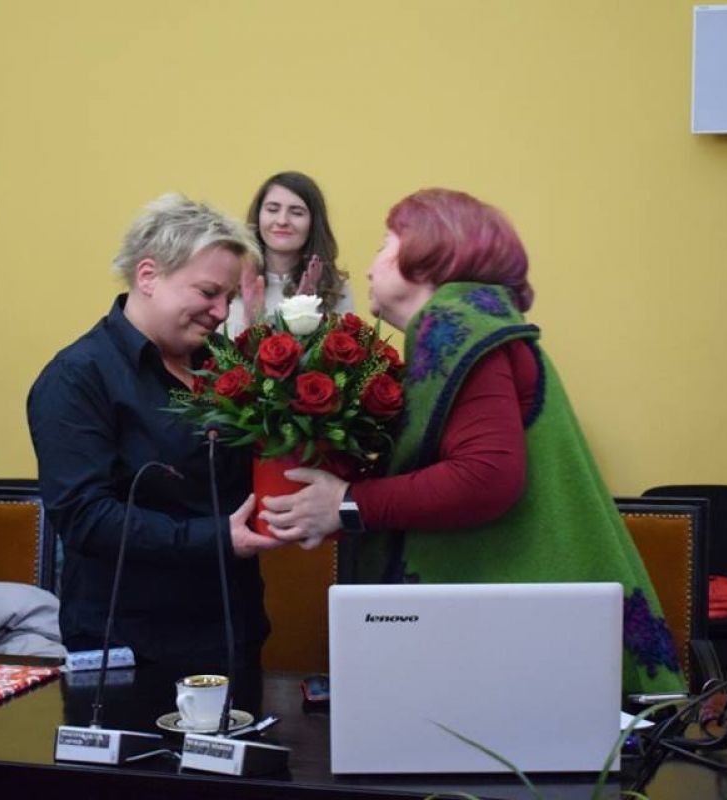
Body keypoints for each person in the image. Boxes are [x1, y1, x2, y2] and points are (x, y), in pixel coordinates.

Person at [261, 188, 685, 695]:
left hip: (525, 640)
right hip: (540, 630)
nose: (371, 268)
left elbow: (486, 477)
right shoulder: (474, 324)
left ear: (427, 254)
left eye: (383, 245)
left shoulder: (456, 325)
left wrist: (348, 504)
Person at [28, 193, 284, 665]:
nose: (221, 312)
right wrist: (216, 538)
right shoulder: (77, 376)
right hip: (129, 644)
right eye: (208, 293)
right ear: (148, 276)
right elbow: (86, 518)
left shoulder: (225, 364)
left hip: (234, 628)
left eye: (228, 298)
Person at [226, 171, 355, 336]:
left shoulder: (333, 290)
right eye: (272, 209)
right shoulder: (230, 281)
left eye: (297, 213)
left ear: (313, 223)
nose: (282, 221)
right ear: (258, 215)